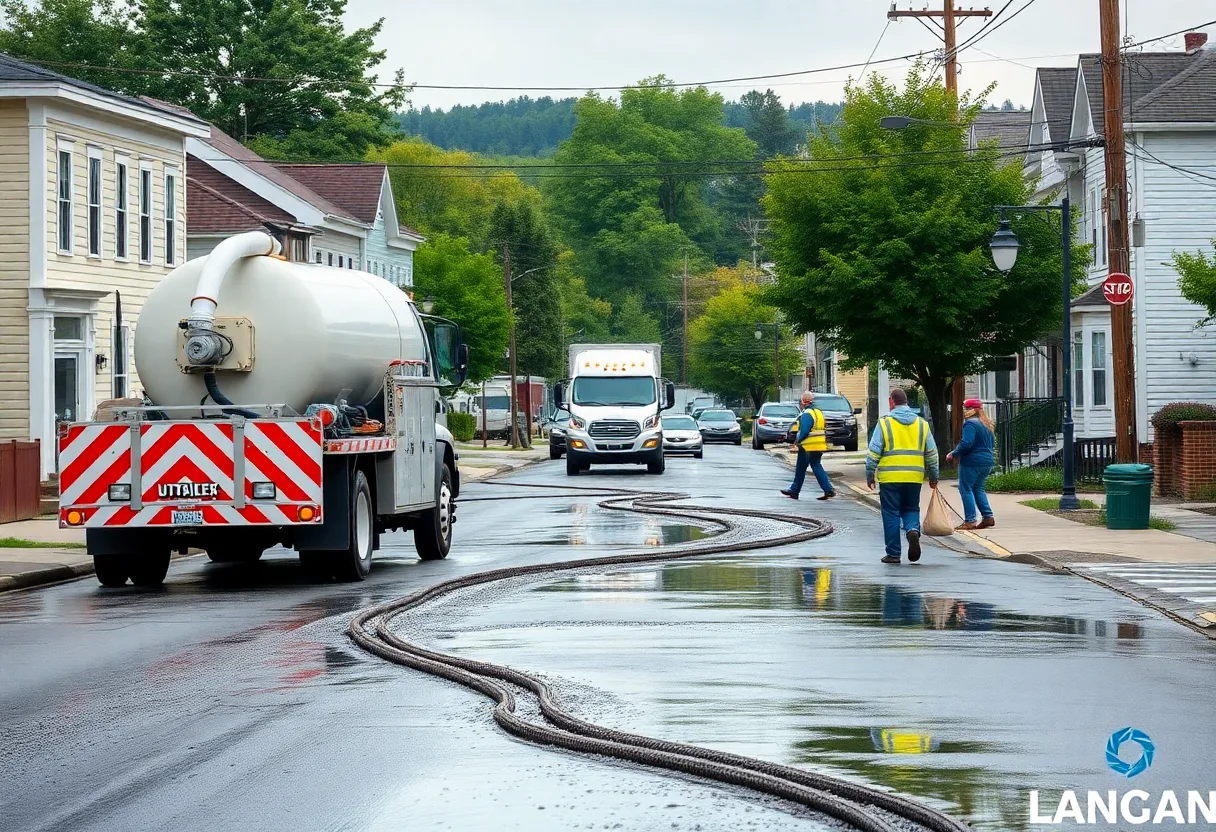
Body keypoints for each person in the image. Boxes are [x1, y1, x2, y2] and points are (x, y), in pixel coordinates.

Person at [865, 388, 939, 564]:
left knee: (891, 514)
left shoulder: (884, 424)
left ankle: (893, 554)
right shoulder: (922, 424)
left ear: (892, 401)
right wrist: (934, 476)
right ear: (907, 402)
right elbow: (932, 453)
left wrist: (870, 474)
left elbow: (873, 453)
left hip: (890, 478)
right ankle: (913, 530)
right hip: (914, 477)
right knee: (911, 508)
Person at [946, 398, 996, 530]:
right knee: (978, 488)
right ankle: (988, 516)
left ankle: (970, 520)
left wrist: (954, 453)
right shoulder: (987, 424)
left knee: (965, 488)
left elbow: (966, 443)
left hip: (972, 461)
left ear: (971, 410)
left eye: (966, 409)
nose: (965, 412)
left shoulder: (970, 424)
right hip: (987, 461)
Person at [781, 391, 836, 501]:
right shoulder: (818, 412)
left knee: (813, 466)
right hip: (818, 444)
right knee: (804, 467)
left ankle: (828, 489)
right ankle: (795, 490)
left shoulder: (807, 413)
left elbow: (805, 430)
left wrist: (797, 441)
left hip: (808, 445)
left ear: (803, 402)